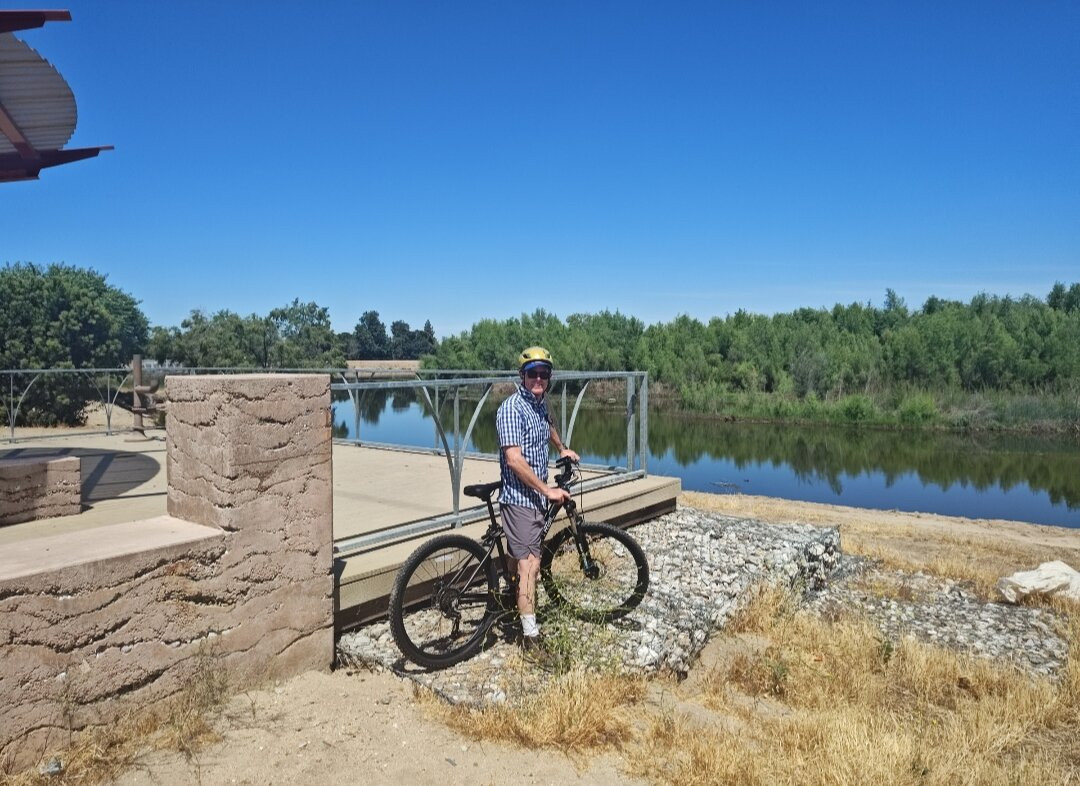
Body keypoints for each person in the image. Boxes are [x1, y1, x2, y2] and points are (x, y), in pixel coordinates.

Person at [496, 346, 580, 654]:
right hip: (520, 496)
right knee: (530, 564)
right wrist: (546, 491)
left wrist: (561, 449)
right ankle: (530, 638)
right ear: (522, 376)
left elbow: (548, 426)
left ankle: (508, 595)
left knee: (520, 558)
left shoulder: (539, 405)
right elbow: (514, 460)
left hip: (534, 495)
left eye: (544, 374)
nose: (539, 379)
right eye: (533, 373)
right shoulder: (511, 409)